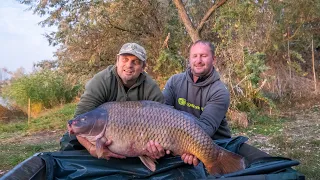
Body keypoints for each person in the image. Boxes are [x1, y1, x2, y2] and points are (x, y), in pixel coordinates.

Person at [60, 42, 164, 160]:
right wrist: (91, 149)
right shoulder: (102, 81)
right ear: (117, 60)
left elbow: (165, 120)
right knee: (70, 140)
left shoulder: (151, 88)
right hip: (102, 132)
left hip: (142, 137)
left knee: (162, 152)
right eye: (125, 59)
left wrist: (156, 150)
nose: (129, 65)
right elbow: (79, 118)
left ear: (143, 67)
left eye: (135, 62)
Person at [146, 40, 231, 166]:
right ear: (189, 59)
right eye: (194, 56)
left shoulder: (219, 91)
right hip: (181, 141)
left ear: (214, 59)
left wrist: (182, 145)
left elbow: (206, 128)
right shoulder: (175, 81)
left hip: (215, 144)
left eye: (203, 56)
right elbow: (160, 113)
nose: (198, 60)